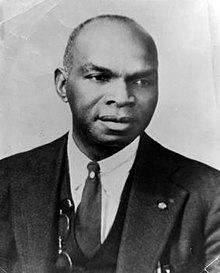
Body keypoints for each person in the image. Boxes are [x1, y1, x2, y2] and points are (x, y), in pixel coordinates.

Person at [0, 14, 220, 273]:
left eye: (141, 81)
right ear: (62, 84)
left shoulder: (209, 196)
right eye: (100, 77)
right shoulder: (6, 181)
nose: (122, 97)